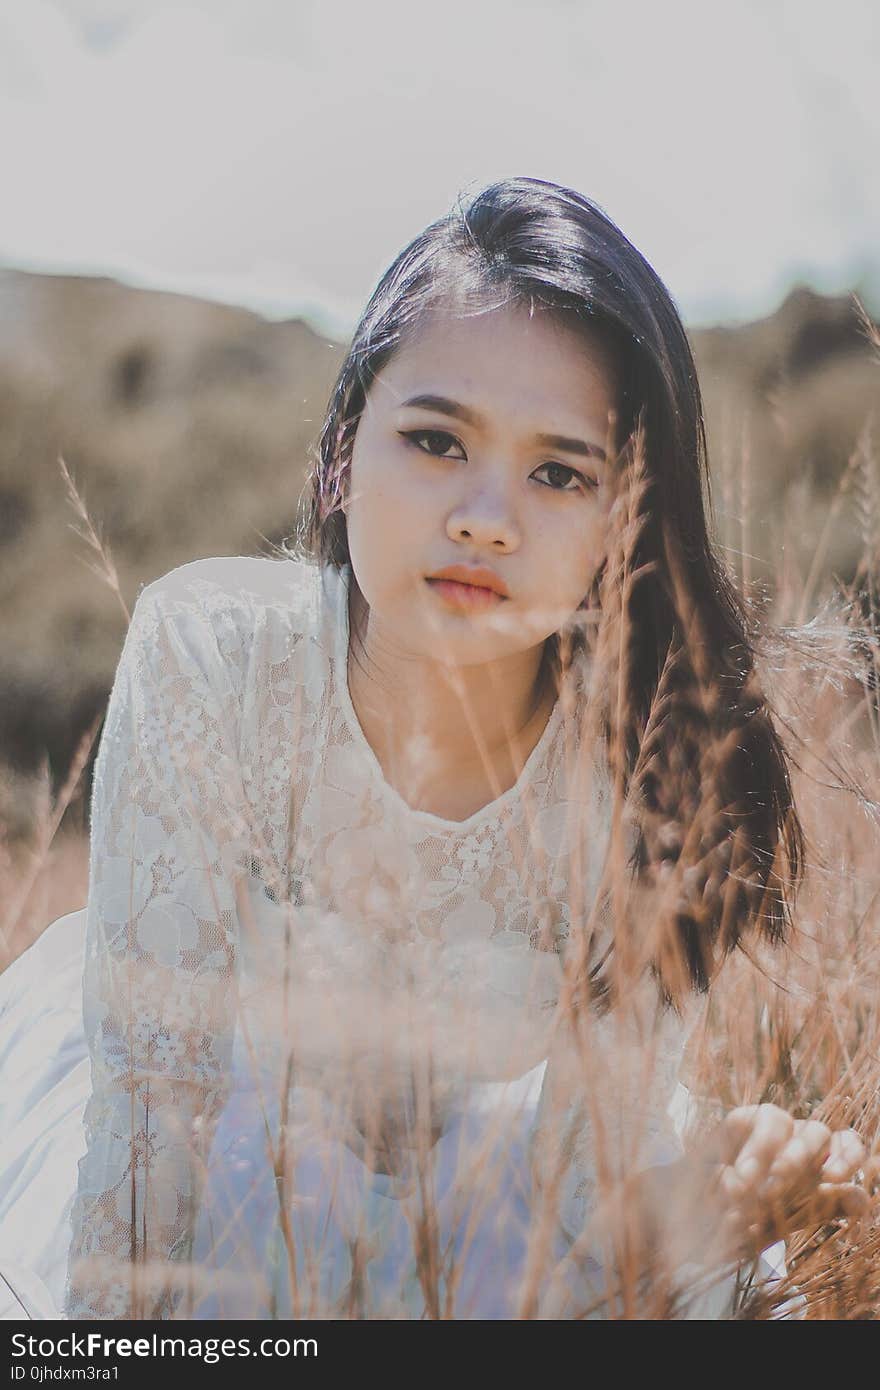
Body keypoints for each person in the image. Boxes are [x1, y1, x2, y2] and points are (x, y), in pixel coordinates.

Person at [0, 177, 866, 1322]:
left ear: (623, 524)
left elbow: (572, 1207)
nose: (486, 514)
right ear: (344, 450)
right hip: (200, 1156)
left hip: (488, 1181)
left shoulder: (646, 749)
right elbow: (153, 1157)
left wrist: (686, 1216)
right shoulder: (214, 655)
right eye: (436, 440)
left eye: (560, 471)